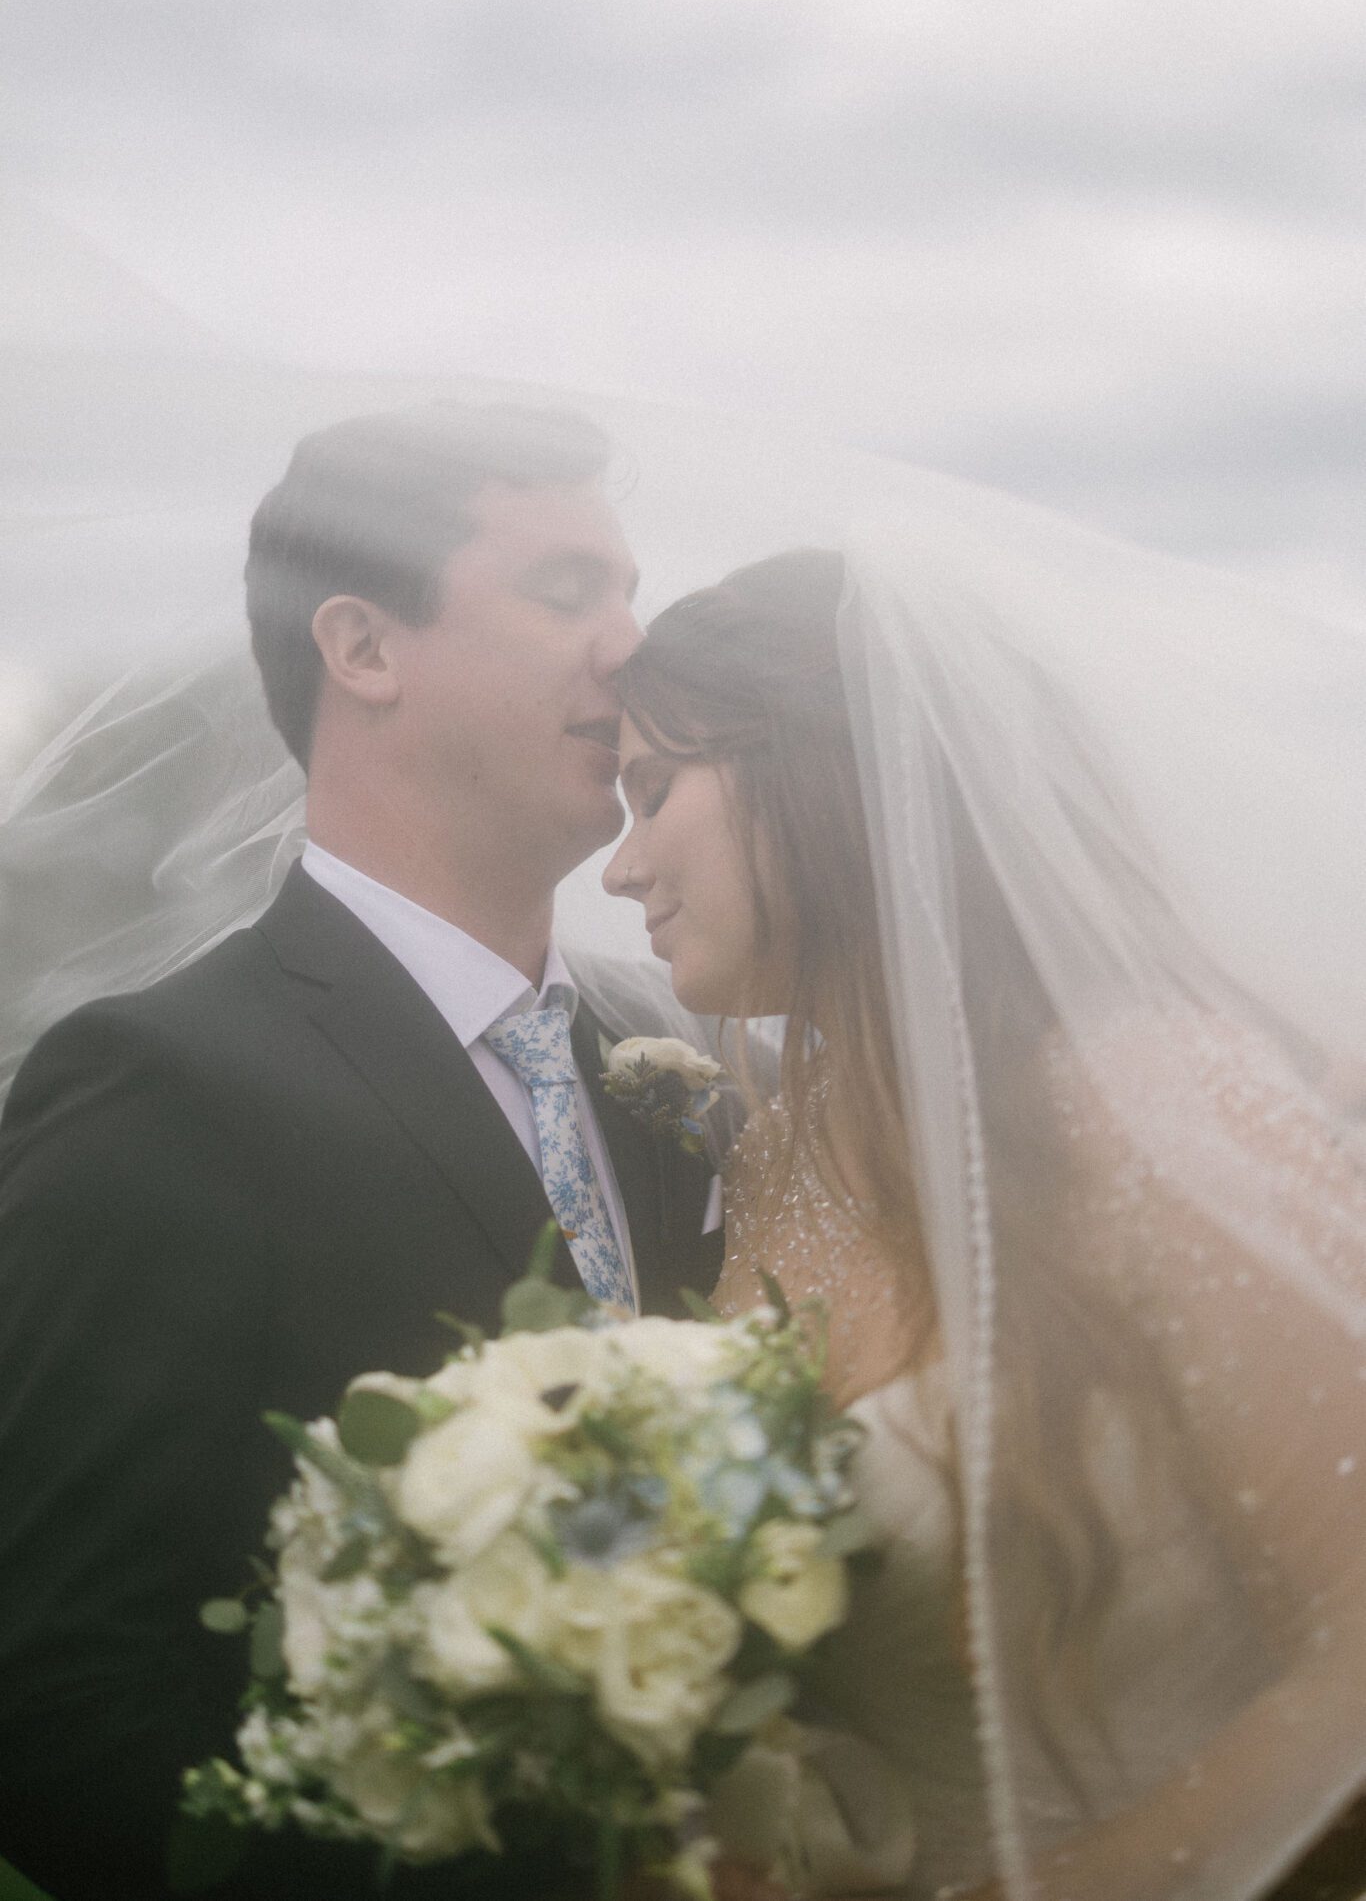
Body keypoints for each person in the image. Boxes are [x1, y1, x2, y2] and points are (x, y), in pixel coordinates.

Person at [0, 400, 719, 1901]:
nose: (630, 645)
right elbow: (56, 1694)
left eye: (632, 592)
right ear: (364, 648)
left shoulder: (684, 1065)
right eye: (567, 589)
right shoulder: (159, 1087)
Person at [601, 545, 1366, 1901]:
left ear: (817, 772)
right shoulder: (779, 1150)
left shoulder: (1147, 1097)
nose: (619, 865)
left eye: (654, 790)